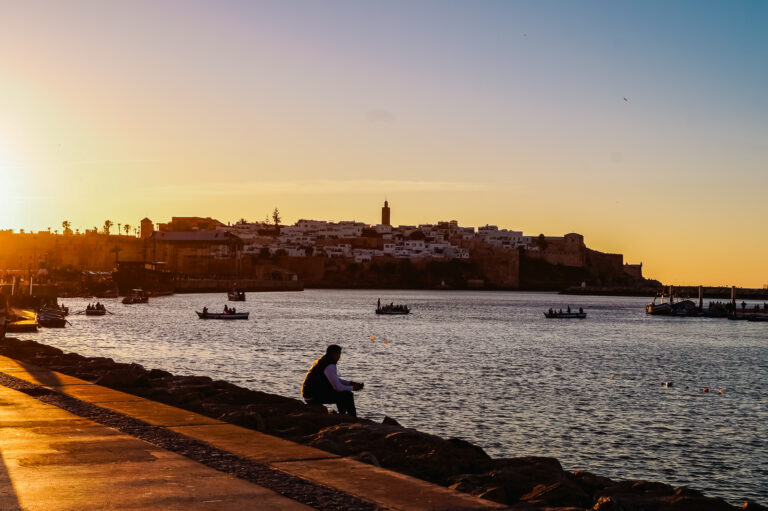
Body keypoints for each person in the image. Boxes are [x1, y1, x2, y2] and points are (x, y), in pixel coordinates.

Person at [302, 344, 363, 416]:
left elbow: (335, 379)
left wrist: (350, 383)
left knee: (343, 393)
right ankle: (352, 417)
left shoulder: (323, 361)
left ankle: (342, 415)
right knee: (347, 395)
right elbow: (338, 387)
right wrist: (353, 388)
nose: (339, 357)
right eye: (339, 354)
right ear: (334, 354)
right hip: (312, 397)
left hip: (309, 394)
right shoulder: (329, 365)